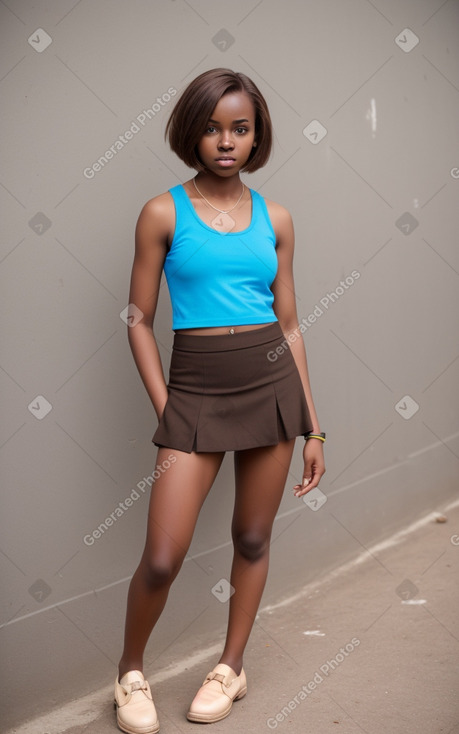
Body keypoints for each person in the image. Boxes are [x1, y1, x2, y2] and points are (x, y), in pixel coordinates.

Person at [114, 68, 326, 734]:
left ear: (256, 136)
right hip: (197, 389)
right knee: (161, 557)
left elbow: (289, 325)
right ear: (191, 134)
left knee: (253, 536)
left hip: (270, 386)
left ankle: (231, 665)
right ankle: (129, 673)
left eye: (239, 128)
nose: (225, 141)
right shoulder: (161, 212)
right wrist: (167, 406)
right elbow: (136, 318)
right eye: (211, 128)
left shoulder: (277, 217)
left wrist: (313, 429)